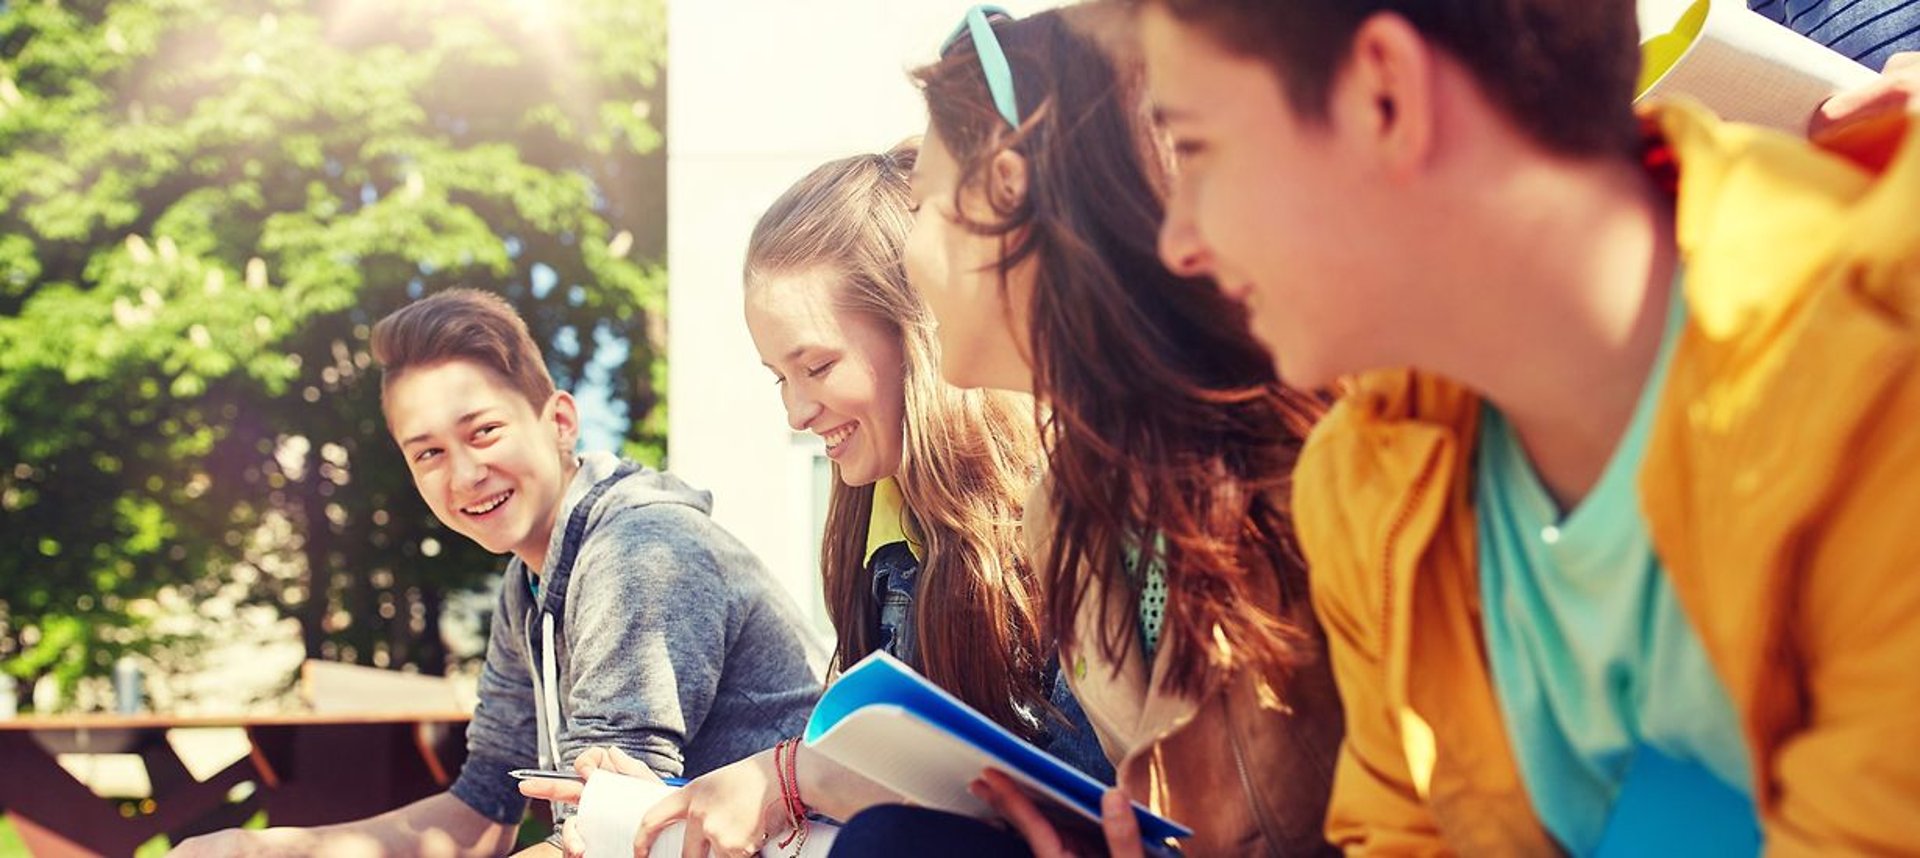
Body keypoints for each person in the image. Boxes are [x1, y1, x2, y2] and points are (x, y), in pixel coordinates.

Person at [1141, 0, 1920, 853]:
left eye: (1197, 148)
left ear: (1387, 98)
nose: (1177, 241)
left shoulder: (1886, 384)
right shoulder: (1363, 487)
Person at [833, 7, 1346, 856]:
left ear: (1006, 190)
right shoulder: (1066, 506)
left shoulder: (1294, 432)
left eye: (921, 204)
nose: (906, 259)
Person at [523, 145, 1112, 857]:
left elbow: (1079, 820)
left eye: (818, 366)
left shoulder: (1075, 519)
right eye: (779, 378)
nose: (797, 413)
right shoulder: (885, 537)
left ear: (918, 335)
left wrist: (798, 775)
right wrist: (666, 812)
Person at [171, 288, 823, 857]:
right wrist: (260, 846)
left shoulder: (639, 550)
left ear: (560, 421)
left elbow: (617, 832)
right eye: (428, 453)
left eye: (482, 432)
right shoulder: (530, 584)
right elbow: (480, 813)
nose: (463, 475)